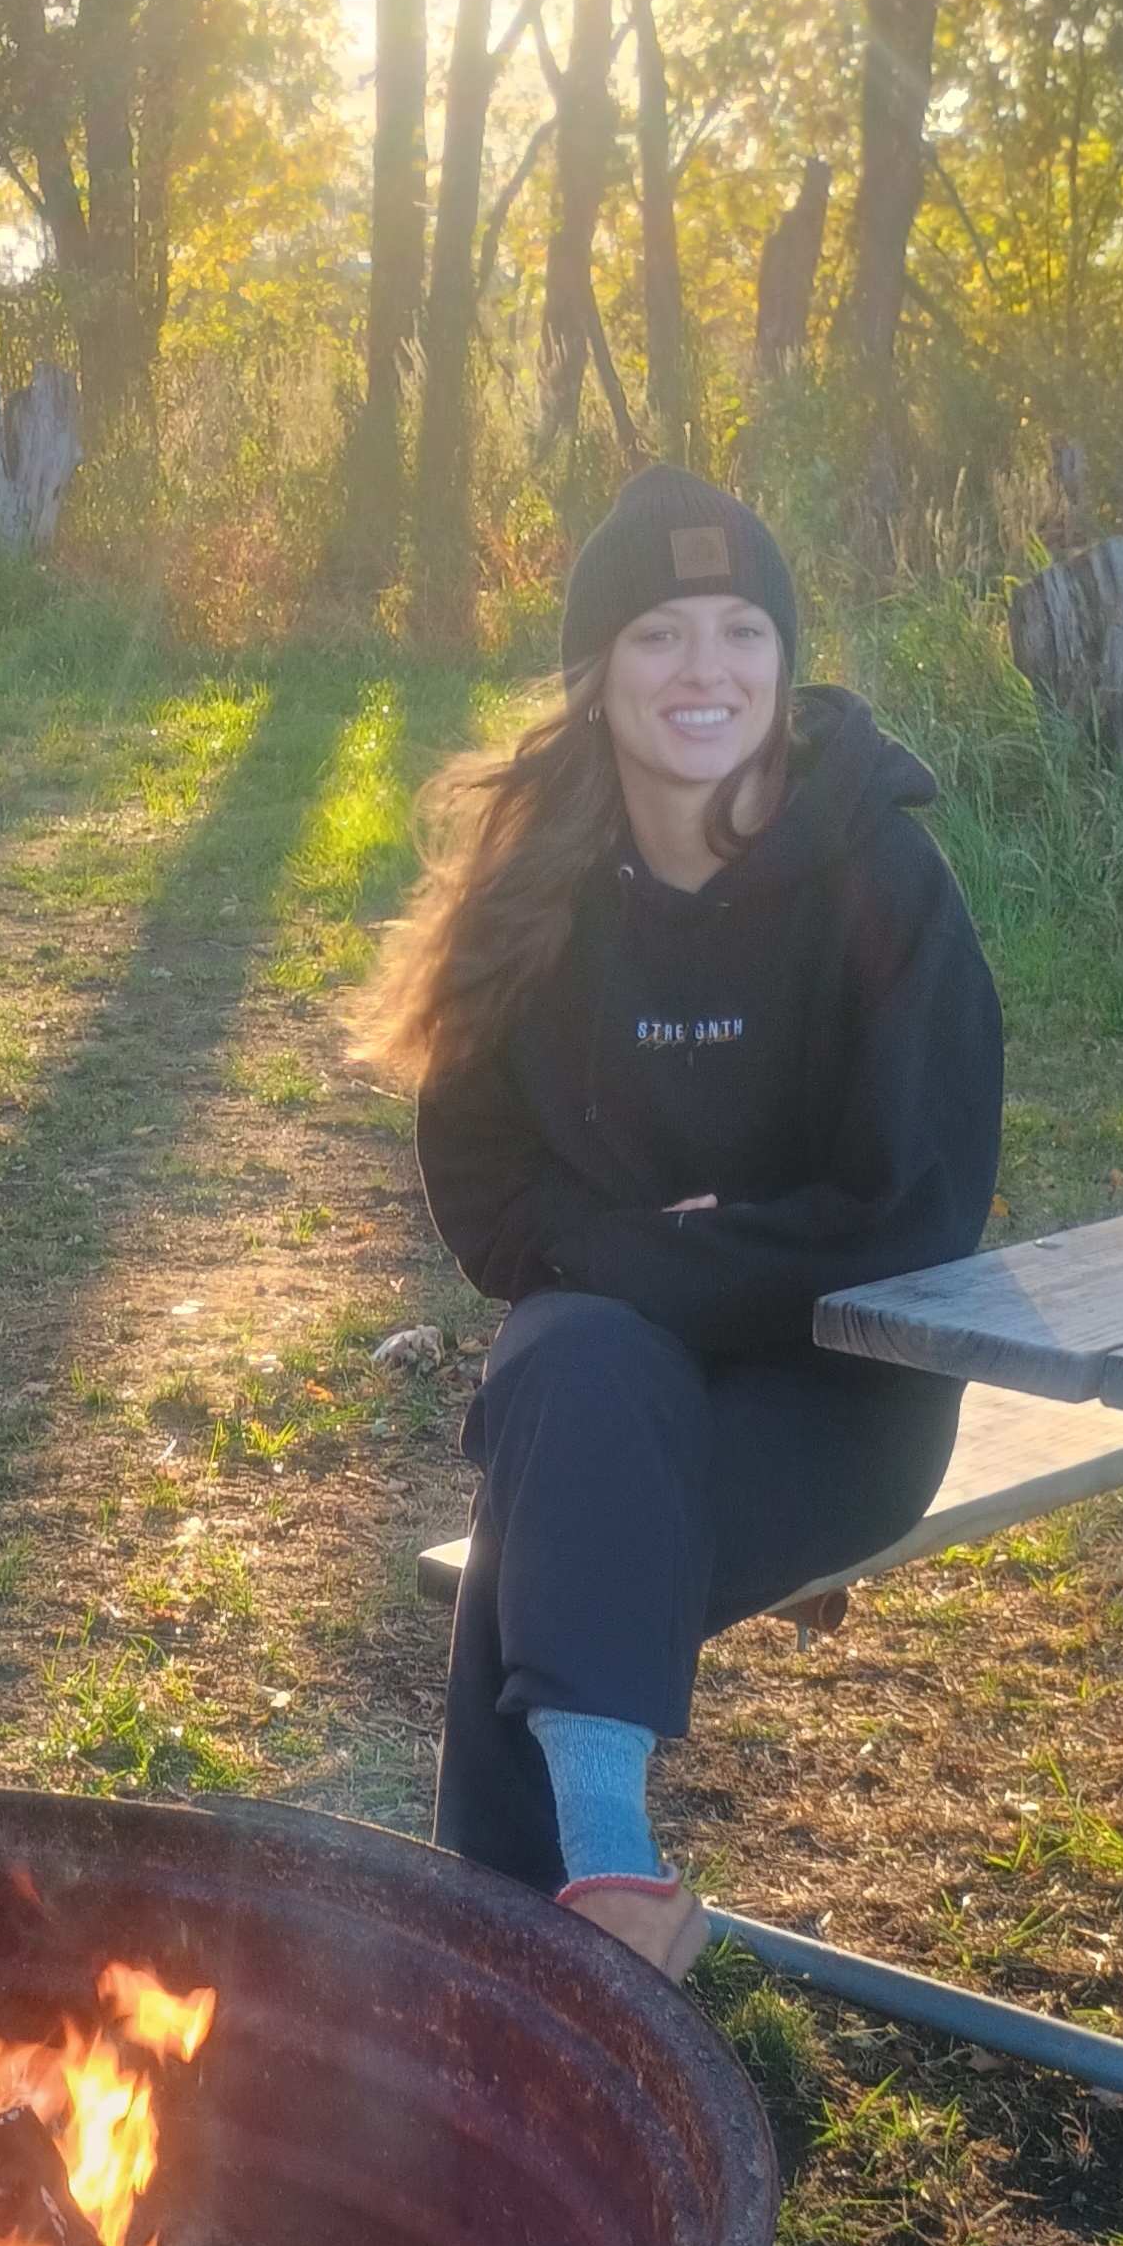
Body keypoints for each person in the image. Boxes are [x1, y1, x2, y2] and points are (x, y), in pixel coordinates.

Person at [355, 467, 1004, 1977]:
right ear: (596, 673)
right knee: (577, 1382)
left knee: (546, 1515)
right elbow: (484, 1191)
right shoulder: (532, 890)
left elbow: (913, 1221)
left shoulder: (884, 879)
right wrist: (708, 1255)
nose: (703, 672)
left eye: (739, 633)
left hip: (840, 1401)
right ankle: (605, 1910)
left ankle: (525, 1975)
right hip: (610, 1383)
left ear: (784, 663)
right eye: (657, 635)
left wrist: (652, 1261)